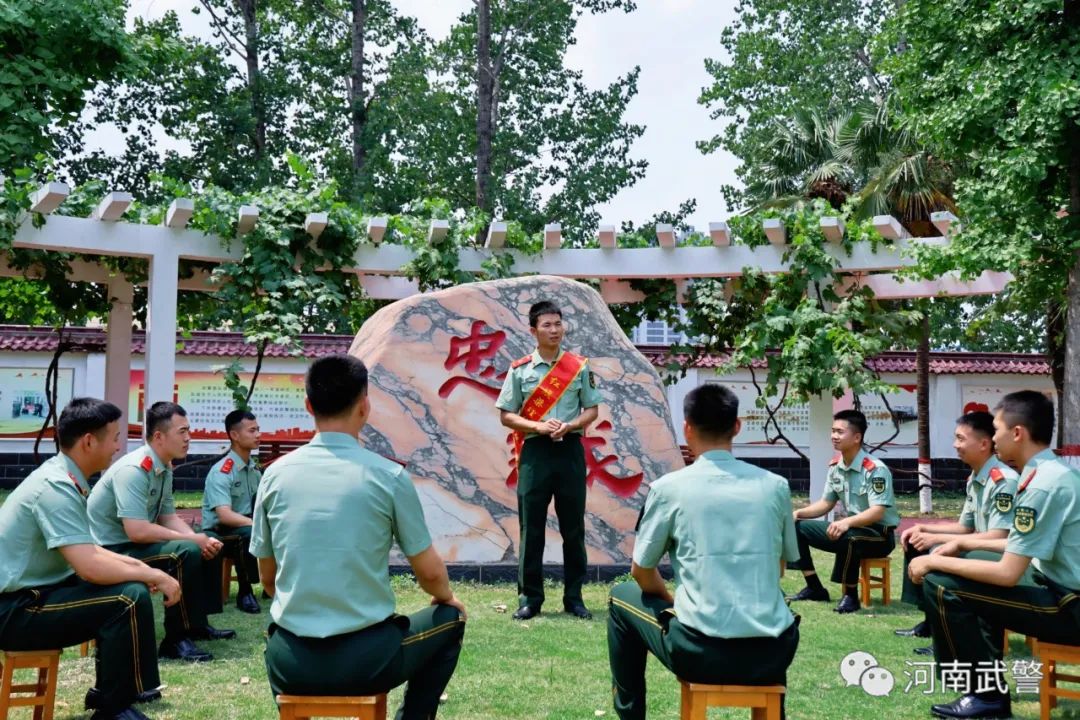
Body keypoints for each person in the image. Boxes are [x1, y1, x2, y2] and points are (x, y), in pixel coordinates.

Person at [251, 354, 466, 719]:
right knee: (451, 618)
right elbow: (430, 574)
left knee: (278, 637)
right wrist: (448, 598)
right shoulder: (388, 477)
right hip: (368, 660)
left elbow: (269, 581)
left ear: (308, 405)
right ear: (365, 406)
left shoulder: (274, 476)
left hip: (291, 662)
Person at [607, 384, 799, 720]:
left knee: (621, 596)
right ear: (737, 426)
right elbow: (779, 568)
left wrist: (670, 601)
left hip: (699, 651)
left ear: (687, 428)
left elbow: (641, 571)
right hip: (773, 653)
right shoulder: (775, 486)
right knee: (773, 601)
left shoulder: (669, 489)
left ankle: (631, 715)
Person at [0, 398, 179, 720]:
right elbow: (90, 566)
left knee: (131, 587)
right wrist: (153, 575)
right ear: (88, 441)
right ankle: (112, 707)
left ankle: (115, 692)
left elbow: (90, 549)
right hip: (16, 610)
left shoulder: (66, 478)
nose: (118, 447)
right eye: (114, 438)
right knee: (126, 598)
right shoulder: (55, 487)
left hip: (38, 593)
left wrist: (141, 568)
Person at [909, 390, 1080, 719]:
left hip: (1068, 605)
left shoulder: (1041, 484)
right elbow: (1020, 543)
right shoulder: (1053, 473)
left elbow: (1007, 573)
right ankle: (983, 682)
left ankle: (986, 696)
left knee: (941, 582)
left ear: (1017, 433)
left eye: (997, 429)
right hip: (1057, 585)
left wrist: (934, 560)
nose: (994, 436)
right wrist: (962, 545)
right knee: (962, 566)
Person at [88, 401, 235, 663]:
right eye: (182, 432)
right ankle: (175, 640)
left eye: (189, 431)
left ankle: (197, 625)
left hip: (132, 544)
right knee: (186, 550)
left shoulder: (164, 467)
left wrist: (199, 539)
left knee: (207, 543)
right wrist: (191, 539)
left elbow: (168, 517)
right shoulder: (134, 470)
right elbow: (137, 531)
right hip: (111, 550)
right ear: (159, 436)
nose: (188, 438)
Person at [495, 300, 602, 620]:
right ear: (534, 331)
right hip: (535, 453)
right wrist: (538, 426)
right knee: (532, 528)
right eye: (547, 325)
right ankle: (530, 599)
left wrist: (570, 425)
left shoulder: (579, 366)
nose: (554, 330)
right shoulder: (520, 369)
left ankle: (574, 597)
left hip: (569, 450)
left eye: (558, 324)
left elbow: (592, 410)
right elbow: (506, 415)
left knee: (573, 527)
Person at [894, 412, 1017, 655]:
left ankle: (947, 635)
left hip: (998, 554)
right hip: (979, 546)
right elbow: (965, 527)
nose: (955, 445)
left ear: (983, 444)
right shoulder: (976, 476)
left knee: (937, 556)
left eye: (960, 439)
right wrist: (924, 529)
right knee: (917, 541)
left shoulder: (1003, 481)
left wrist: (939, 540)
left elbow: (999, 536)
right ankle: (931, 620)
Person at [788, 409, 899, 613]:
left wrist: (845, 522)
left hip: (879, 535)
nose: (834, 436)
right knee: (795, 527)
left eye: (840, 432)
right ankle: (814, 587)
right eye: (833, 431)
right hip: (851, 529)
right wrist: (798, 513)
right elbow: (826, 503)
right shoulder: (836, 467)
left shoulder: (875, 469)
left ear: (857, 437)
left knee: (850, 537)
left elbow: (877, 512)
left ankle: (850, 596)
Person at [201, 409, 262, 613]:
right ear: (234, 435)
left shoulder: (254, 470)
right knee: (249, 533)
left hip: (244, 528)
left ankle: (273, 585)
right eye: (252, 430)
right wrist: (257, 525)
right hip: (219, 532)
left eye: (258, 429)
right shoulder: (222, 471)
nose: (258, 435)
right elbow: (224, 516)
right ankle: (245, 591)